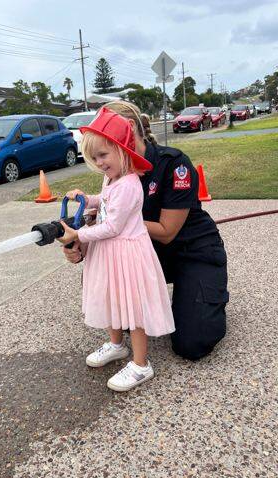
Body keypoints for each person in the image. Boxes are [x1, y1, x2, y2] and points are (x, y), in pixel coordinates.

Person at [64, 101, 229, 361]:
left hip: (192, 251)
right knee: (110, 295)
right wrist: (80, 247)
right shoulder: (114, 168)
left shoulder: (174, 164)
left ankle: (200, 293)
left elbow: (166, 231)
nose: (99, 159)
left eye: (103, 147)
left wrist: (114, 223)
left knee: (192, 343)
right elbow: (104, 215)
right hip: (146, 253)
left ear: (127, 128)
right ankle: (162, 302)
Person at [57, 107, 175, 392]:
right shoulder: (112, 179)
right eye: (94, 158)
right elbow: (106, 201)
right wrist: (89, 199)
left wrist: (78, 233)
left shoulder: (131, 185)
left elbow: (112, 227)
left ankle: (140, 363)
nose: (99, 163)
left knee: (133, 309)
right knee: (111, 299)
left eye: (103, 156)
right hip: (111, 254)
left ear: (123, 150)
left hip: (127, 255)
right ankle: (115, 345)